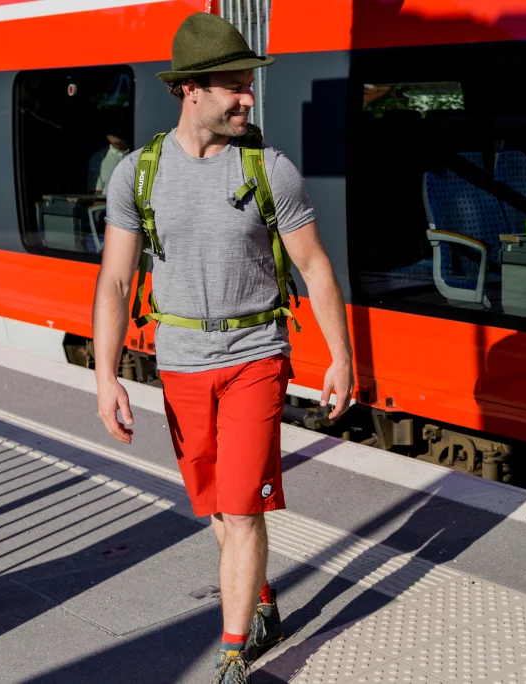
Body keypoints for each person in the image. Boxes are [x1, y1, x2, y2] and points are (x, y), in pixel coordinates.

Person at [91, 13, 354, 684]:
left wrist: (341, 358)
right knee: (215, 504)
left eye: (248, 85)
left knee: (239, 507)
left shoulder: (270, 170)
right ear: (191, 92)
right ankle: (259, 596)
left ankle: (235, 651)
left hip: (255, 358)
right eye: (234, 86)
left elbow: (316, 269)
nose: (247, 98)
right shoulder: (139, 175)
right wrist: (106, 377)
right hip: (179, 365)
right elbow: (117, 280)